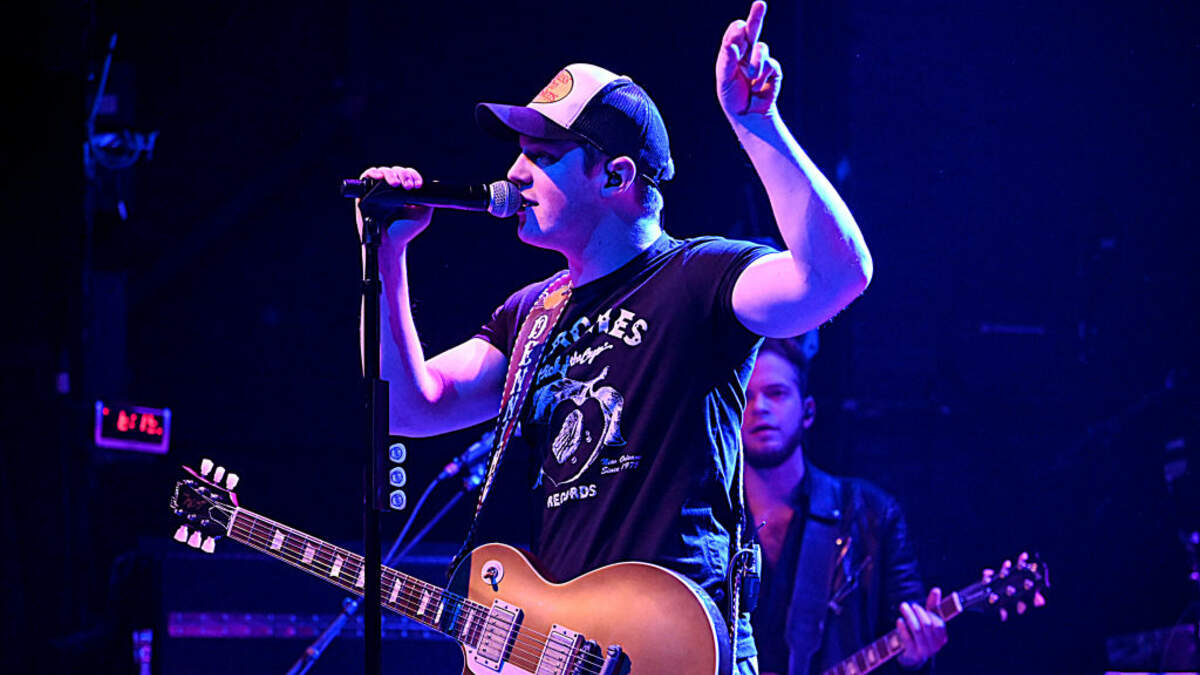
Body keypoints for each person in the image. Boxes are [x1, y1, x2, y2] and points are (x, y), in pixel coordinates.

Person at [358, 3, 872, 672]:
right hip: (568, 652)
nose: (515, 173)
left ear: (616, 176)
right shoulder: (530, 312)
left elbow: (837, 276)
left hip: (678, 649)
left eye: (543, 156)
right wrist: (387, 253)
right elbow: (408, 406)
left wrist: (757, 125)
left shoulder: (699, 277)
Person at [741, 336, 948, 675]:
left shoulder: (873, 513)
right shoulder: (708, 522)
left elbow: (905, 643)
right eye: (745, 397)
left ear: (808, 411)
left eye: (775, 393)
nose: (759, 407)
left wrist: (915, 658)